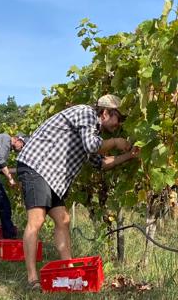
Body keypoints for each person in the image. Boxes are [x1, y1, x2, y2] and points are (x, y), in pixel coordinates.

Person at [15, 95, 140, 289]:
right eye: (119, 118)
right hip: (36, 166)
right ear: (105, 112)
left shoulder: (92, 131)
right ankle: (32, 279)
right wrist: (115, 142)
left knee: (63, 220)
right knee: (36, 220)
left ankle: (69, 268)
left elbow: (100, 163)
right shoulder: (86, 114)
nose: (119, 123)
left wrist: (129, 156)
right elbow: (92, 147)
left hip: (52, 177)